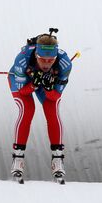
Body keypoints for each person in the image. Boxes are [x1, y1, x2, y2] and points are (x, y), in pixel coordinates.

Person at [8, 31, 72, 180]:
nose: (46, 64)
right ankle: (18, 158)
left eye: (51, 60)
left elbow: (56, 96)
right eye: (42, 59)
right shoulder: (22, 60)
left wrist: (49, 88)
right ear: (36, 55)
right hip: (24, 83)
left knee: (52, 111)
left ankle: (57, 159)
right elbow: (23, 92)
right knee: (28, 110)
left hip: (41, 84)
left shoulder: (65, 63)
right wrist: (34, 84)